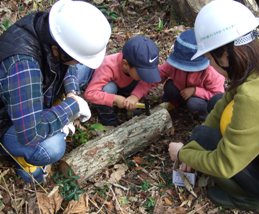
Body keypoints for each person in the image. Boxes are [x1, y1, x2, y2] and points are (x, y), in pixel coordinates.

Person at [168, 0, 259, 211]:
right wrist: (196, 141)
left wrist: (183, 154)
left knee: (210, 146)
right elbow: (222, 103)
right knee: (208, 122)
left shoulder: (253, 98)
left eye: (208, 58)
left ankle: (245, 199)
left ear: (224, 54)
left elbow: (224, 165)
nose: (210, 65)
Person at [0, 0, 111, 183]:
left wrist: (72, 93)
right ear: (58, 51)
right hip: (8, 120)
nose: (77, 63)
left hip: (35, 91)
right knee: (52, 146)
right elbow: (31, 133)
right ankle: (23, 161)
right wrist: (69, 110)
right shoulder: (23, 66)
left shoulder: (51, 29)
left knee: (84, 70)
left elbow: (70, 67)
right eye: (76, 58)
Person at [84, 35, 161, 126]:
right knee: (109, 88)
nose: (145, 76)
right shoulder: (108, 66)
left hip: (127, 88)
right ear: (125, 64)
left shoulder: (141, 66)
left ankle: (130, 109)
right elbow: (90, 93)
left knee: (140, 80)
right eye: (142, 73)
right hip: (113, 90)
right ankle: (109, 120)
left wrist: (135, 96)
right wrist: (115, 99)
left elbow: (154, 80)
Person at [158, 29, 225, 120]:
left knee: (194, 104)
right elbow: (159, 74)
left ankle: (204, 115)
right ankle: (177, 106)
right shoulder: (173, 66)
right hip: (182, 92)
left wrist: (195, 91)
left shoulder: (211, 72)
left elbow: (217, 95)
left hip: (200, 99)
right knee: (170, 87)